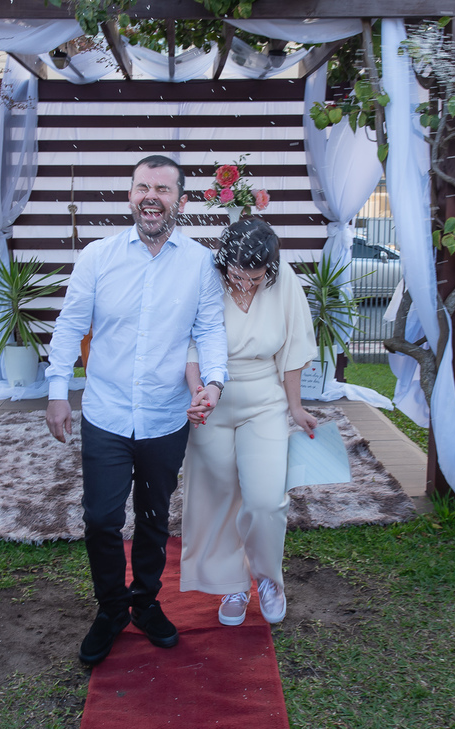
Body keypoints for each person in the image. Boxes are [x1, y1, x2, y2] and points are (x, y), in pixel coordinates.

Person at [44, 155, 228, 665]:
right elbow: (69, 324)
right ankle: (110, 609)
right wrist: (58, 388)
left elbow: (209, 329)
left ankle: (145, 602)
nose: (152, 196)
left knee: (152, 518)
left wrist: (213, 382)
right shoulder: (98, 257)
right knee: (101, 519)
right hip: (105, 413)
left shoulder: (200, 263)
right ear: (130, 195)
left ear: (181, 202)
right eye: (143, 186)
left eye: (163, 189)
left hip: (166, 418)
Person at [179, 219, 318, 626]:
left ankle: (268, 578)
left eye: (256, 277)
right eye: (238, 275)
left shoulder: (283, 279)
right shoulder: (206, 274)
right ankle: (232, 585)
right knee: (218, 496)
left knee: (264, 499)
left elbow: (292, 346)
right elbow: (189, 341)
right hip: (211, 399)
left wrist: (295, 407)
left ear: (270, 269)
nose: (246, 284)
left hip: (264, 399)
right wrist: (196, 391)